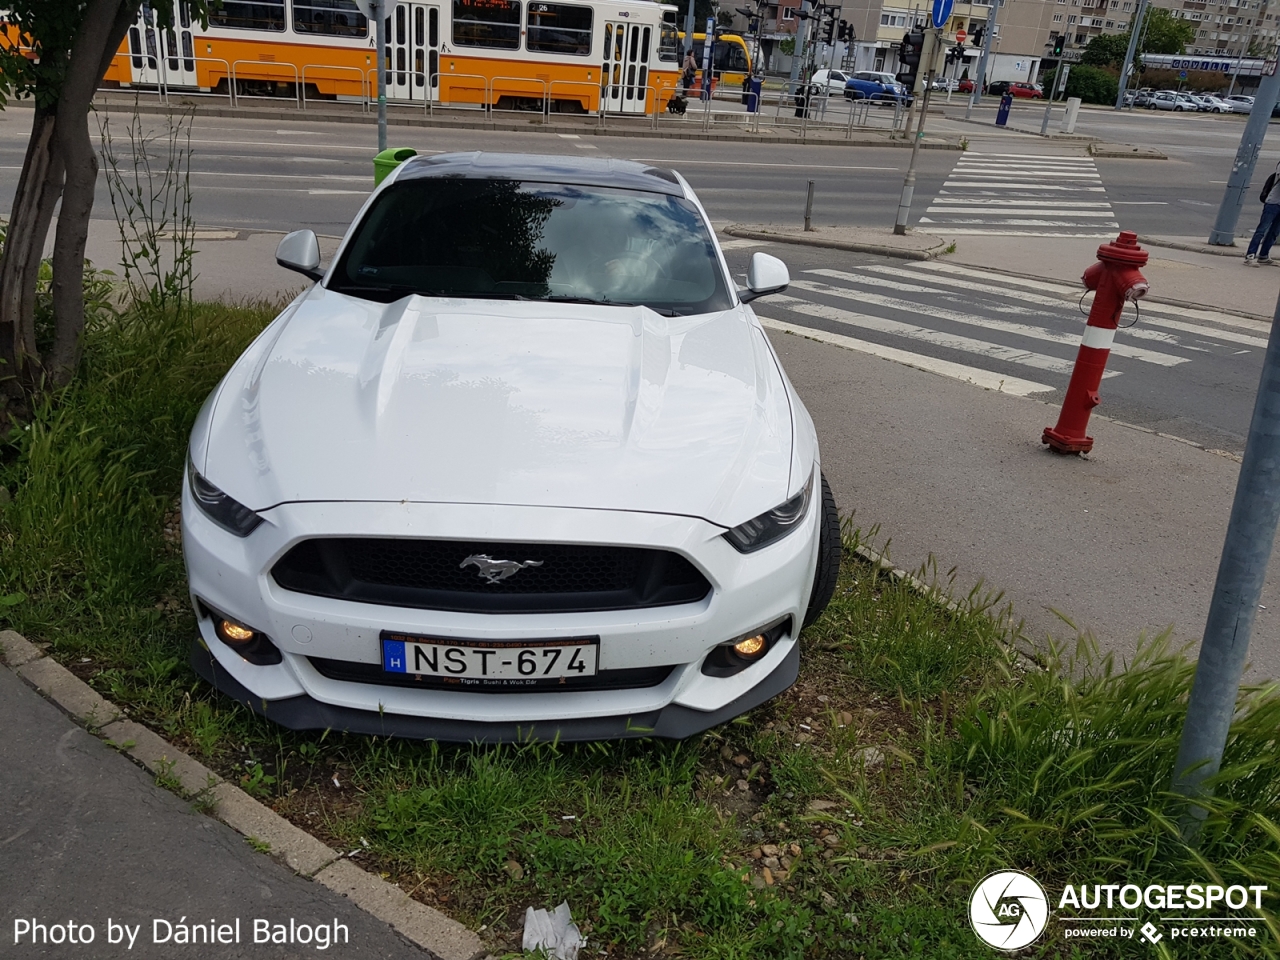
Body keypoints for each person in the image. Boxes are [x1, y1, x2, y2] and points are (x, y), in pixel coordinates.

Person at [1245, 160, 1280, 266]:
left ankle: (1263, 255)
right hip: (1273, 203)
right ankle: (1250, 255)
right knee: (1262, 230)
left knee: (1274, 231)